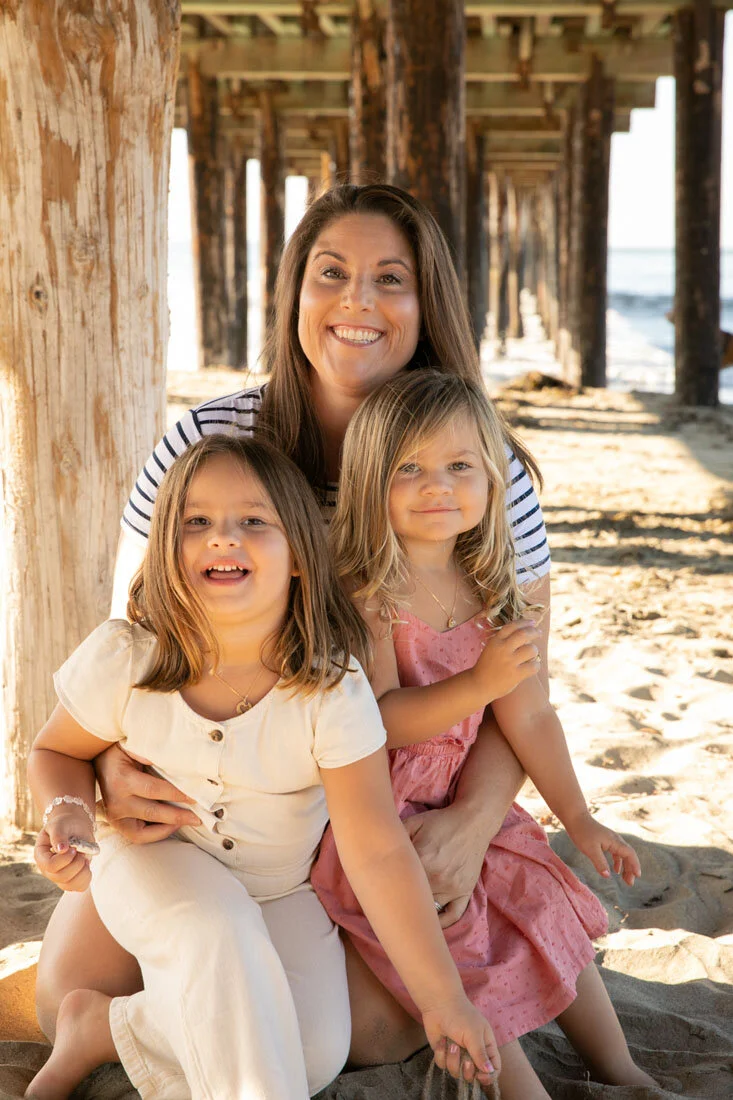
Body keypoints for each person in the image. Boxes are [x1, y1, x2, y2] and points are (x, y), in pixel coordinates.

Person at [34, 183, 551, 1065]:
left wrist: (471, 819)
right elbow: (137, 643)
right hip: (219, 798)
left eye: (391, 279)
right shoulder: (208, 441)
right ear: (293, 295)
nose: (357, 301)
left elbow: (523, 683)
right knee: (67, 998)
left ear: (426, 306)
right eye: (330, 274)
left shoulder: (477, 462)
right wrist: (110, 771)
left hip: (384, 812)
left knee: (367, 1032)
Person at [26, 435, 499, 1100]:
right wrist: (67, 811)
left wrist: (443, 996)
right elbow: (55, 751)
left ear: (301, 556)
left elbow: (377, 852)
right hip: (153, 860)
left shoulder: (332, 691)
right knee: (215, 931)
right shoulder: (126, 659)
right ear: (166, 549)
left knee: (308, 1053)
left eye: (253, 521)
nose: (223, 537)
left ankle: (103, 1027)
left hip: (279, 891)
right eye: (197, 522)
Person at [311, 370, 657, 1100]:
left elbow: (530, 715)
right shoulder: (369, 590)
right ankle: (518, 1088)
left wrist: (578, 816)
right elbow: (373, 719)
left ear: (493, 483)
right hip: (384, 810)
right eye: (409, 468)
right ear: (372, 480)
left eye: (459, 466)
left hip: (469, 801)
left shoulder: (494, 587)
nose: (437, 485)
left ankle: (619, 1069)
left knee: (542, 902)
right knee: (460, 940)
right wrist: (475, 687)